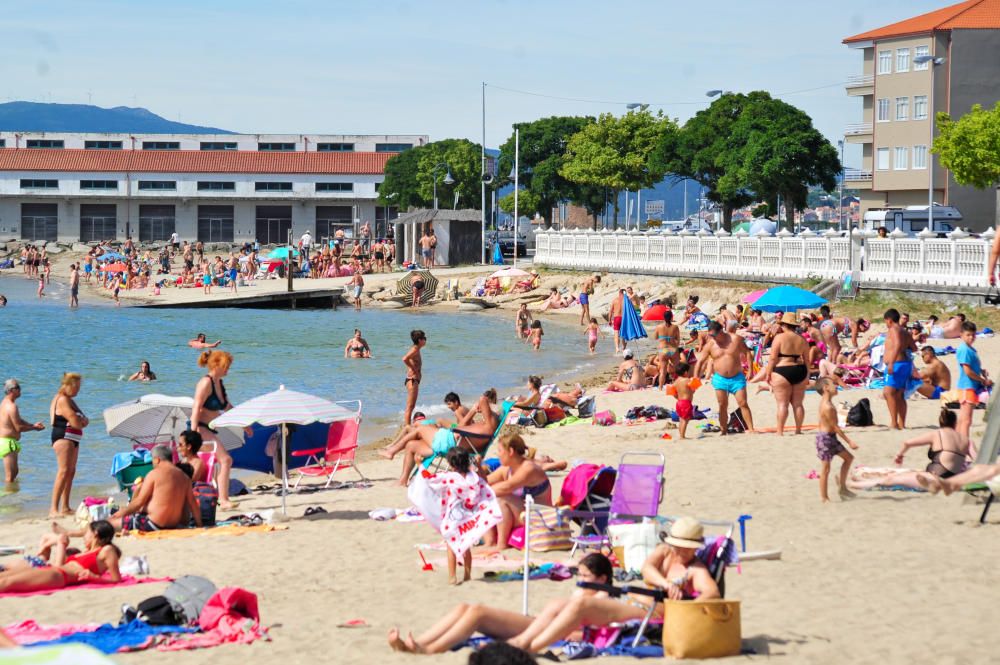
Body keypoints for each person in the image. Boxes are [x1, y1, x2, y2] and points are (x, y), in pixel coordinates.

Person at [388, 552, 614, 655]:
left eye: (586, 576)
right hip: (539, 623)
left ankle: (428, 650)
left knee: (477, 613)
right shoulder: (587, 594)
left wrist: (561, 632)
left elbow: (590, 635)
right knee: (464, 608)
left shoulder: (603, 601)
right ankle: (418, 642)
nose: (581, 580)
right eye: (580, 575)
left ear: (603, 579)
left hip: (544, 630)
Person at [850, 408, 969, 492]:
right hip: (951, 478)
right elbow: (977, 458)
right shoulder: (965, 440)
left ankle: (853, 484)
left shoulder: (937, 434)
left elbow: (907, 443)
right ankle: (861, 480)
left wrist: (899, 455)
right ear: (954, 424)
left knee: (890, 479)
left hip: (936, 478)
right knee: (897, 475)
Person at [0, 520, 121, 593]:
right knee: (3, 576)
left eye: (86, 533)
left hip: (58, 576)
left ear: (95, 533)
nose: (84, 536)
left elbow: (116, 580)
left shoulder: (107, 550)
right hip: (52, 570)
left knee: (7, 582)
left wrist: (93, 577)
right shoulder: (86, 551)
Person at [191, 350, 244, 511]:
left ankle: (211, 497)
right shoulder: (205, 383)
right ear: (216, 365)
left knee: (208, 465)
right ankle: (223, 499)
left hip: (209, 428)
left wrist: (244, 423)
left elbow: (227, 407)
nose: (228, 369)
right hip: (199, 428)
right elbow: (196, 408)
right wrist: (193, 435)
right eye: (226, 366)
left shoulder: (218, 383)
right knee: (225, 460)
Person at [480, 434, 551, 553]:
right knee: (487, 496)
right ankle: (490, 542)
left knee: (501, 498)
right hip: (523, 512)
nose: (498, 454)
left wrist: (478, 492)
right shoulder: (507, 469)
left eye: (500, 450)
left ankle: (501, 544)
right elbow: (485, 482)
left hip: (540, 516)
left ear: (511, 451)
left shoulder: (529, 468)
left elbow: (507, 487)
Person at [109, 445, 202, 531]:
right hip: (173, 525)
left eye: (152, 461)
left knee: (109, 524)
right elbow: (193, 505)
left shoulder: (153, 474)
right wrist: (199, 526)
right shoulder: (184, 477)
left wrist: (119, 514)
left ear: (157, 460)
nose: (152, 464)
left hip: (154, 524)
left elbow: (138, 502)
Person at [701, 321, 754, 434]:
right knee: (722, 405)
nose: (712, 338)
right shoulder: (711, 344)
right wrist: (695, 377)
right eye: (710, 335)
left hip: (737, 378)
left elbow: (748, 353)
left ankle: (751, 429)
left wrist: (750, 370)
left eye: (713, 335)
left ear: (721, 331)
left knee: (743, 403)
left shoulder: (736, 339)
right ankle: (723, 430)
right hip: (720, 379)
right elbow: (701, 360)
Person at [761, 312, 809, 435]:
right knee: (798, 404)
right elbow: (807, 360)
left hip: (782, 370)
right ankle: (798, 430)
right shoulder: (802, 339)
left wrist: (768, 374)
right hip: (800, 370)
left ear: (784, 325)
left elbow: (772, 358)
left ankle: (780, 431)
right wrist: (807, 375)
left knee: (782, 404)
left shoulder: (779, 338)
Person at [49, 373, 87, 518]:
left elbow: (83, 418)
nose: (78, 390)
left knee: (71, 471)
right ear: (69, 385)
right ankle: (53, 509)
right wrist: (81, 421)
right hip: (63, 437)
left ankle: (65, 506)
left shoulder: (69, 399)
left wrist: (81, 420)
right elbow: (78, 422)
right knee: (63, 471)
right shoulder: (62, 399)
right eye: (76, 387)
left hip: (73, 437)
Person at [814, 378, 858, 503]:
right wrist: (849, 441)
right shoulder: (828, 407)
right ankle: (824, 497)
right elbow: (835, 426)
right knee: (826, 469)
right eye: (833, 384)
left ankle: (842, 488)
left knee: (848, 458)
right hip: (825, 439)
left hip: (830, 438)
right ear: (825, 388)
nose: (837, 386)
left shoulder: (827, 402)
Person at [0, 379, 45, 483]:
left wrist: (32, 424)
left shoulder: (4, 403)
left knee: (14, 473)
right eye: (18, 388)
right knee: (10, 477)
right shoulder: (12, 406)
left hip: (8, 442)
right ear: (11, 390)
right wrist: (34, 428)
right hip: (7, 443)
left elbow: (18, 420)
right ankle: (6, 497)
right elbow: (18, 427)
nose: (20, 390)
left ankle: (13, 497)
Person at [882, 308, 918, 430]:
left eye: (885, 321)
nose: (886, 324)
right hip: (905, 365)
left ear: (889, 320)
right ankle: (902, 423)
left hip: (896, 365)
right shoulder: (905, 332)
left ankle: (894, 423)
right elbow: (914, 348)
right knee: (899, 395)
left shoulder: (893, 329)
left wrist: (891, 363)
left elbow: (897, 344)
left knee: (888, 393)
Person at [955, 320, 991, 441]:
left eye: (973, 335)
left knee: (963, 419)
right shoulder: (964, 350)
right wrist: (982, 380)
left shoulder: (970, 349)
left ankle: (957, 443)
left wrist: (981, 370)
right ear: (961, 335)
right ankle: (963, 447)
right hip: (967, 386)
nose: (971, 337)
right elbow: (967, 371)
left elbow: (972, 367)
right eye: (968, 335)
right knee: (966, 420)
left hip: (970, 386)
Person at [665, 362, 700, 439]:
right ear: (686, 372)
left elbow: (673, 393)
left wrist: (678, 398)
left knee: (681, 419)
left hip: (679, 403)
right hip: (686, 403)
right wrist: (694, 388)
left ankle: (681, 434)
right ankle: (682, 436)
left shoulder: (676, 381)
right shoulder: (687, 380)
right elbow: (693, 390)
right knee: (685, 420)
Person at [403, 330, 426, 426]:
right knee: (410, 406)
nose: (425, 340)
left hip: (413, 380)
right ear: (420, 340)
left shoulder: (416, 349)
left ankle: (407, 426)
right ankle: (407, 428)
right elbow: (404, 358)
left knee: (411, 406)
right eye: (424, 338)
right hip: (412, 380)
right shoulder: (415, 349)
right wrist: (414, 370)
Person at [653, 310, 681, 389]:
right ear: (672, 317)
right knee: (677, 370)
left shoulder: (659, 327)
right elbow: (678, 340)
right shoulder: (675, 327)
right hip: (673, 349)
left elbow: (655, 337)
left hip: (663, 350)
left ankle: (660, 387)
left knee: (663, 371)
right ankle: (678, 385)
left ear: (663, 318)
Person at [608, 289, 624, 354]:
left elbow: (611, 311)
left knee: (616, 334)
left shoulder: (615, 300)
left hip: (616, 318)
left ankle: (617, 348)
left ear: (619, 293)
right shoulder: (626, 301)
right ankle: (624, 348)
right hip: (624, 318)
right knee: (624, 334)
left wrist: (609, 320)